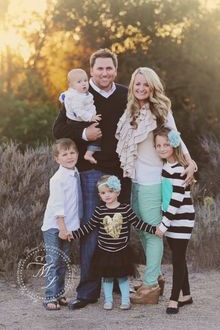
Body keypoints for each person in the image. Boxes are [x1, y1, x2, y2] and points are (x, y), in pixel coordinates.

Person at [53, 48, 131, 309]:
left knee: (119, 229)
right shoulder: (79, 95)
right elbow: (58, 129)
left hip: (121, 172)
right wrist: (84, 134)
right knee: (91, 229)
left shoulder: (124, 94)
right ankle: (87, 291)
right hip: (92, 172)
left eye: (109, 68)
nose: (104, 73)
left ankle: (118, 282)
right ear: (91, 71)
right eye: (99, 68)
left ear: (116, 71)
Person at [116, 67, 197, 304]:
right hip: (135, 180)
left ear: (152, 87)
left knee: (152, 234)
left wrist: (190, 162)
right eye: (137, 84)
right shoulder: (130, 110)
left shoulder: (161, 111)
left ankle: (150, 286)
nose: (141, 89)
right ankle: (155, 276)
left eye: (145, 85)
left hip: (153, 181)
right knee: (142, 230)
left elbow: (176, 138)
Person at [65, 175, 159, 310]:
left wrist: (153, 229)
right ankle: (108, 301)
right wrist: (73, 234)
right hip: (104, 251)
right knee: (107, 278)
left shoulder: (126, 209)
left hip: (121, 251)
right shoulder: (100, 211)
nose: (107, 195)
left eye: (110, 191)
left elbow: (137, 223)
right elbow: (89, 227)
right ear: (99, 195)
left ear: (117, 192)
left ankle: (125, 301)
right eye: (103, 193)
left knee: (122, 277)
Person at [154, 127, 195, 314]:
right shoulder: (166, 166)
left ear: (174, 144)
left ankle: (174, 299)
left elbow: (177, 200)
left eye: (166, 144)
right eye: (158, 145)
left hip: (182, 219)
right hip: (171, 219)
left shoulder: (178, 168)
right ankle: (186, 294)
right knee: (178, 257)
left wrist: (163, 224)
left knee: (177, 259)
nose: (162, 148)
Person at [41, 138, 82, 310]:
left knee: (63, 261)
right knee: (53, 261)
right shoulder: (57, 178)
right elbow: (58, 206)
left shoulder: (75, 172)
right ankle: (49, 296)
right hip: (55, 226)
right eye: (64, 154)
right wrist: (62, 228)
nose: (69, 157)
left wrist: (72, 227)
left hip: (68, 227)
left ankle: (59, 294)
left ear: (78, 154)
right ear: (57, 159)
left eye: (72, 153)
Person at [59, 68, 102, 165]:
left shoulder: (79, 93)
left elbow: (64, 95)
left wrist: (62, 97)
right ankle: (89, 153)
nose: (83, 84)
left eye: (85, 81)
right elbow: (79, 112)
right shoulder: (75, 97)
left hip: (80, 119)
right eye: (79, 82)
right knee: (97, 135)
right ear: (71, 85)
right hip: (77, 121)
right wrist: (90, 117)